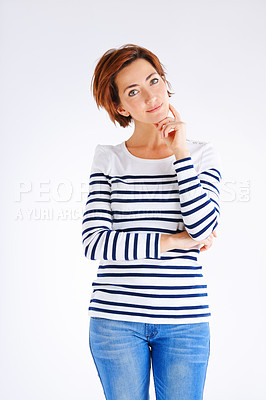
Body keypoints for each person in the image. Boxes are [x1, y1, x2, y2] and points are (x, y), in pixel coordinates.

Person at [82, 44, 222, 400]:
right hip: (115, 320)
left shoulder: (199, 154)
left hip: (185, 321)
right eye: (133, 92)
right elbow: (95, 243)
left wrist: (180, 154)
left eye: (154, 81)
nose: (150, 96)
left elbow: (203, 229)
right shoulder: (109, 159)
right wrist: (173, 241)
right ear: (119, 106)